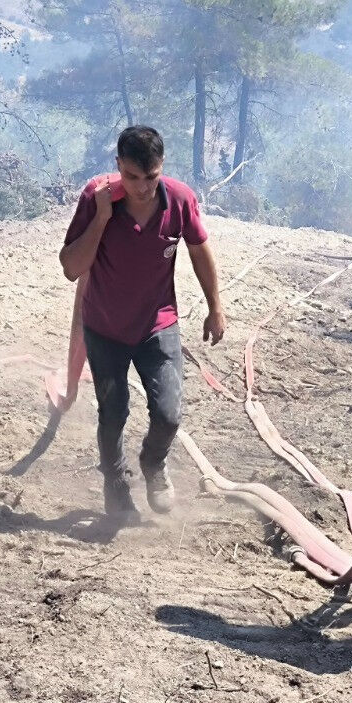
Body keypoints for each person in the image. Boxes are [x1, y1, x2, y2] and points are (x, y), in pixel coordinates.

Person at [60, 126, 226, 519]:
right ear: (119, 166)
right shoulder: (95, 197)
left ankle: (153, 463)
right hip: (104, 328)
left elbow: (200, 250)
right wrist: (101, 218)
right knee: (113, 412)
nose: (142, 188)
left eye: (151, 178)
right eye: (132, 177)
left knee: (169, 414)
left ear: (161, 168)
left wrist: (215, 306)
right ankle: (115, 482)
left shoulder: (180, 199)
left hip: (158, 325)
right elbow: (71, 269)